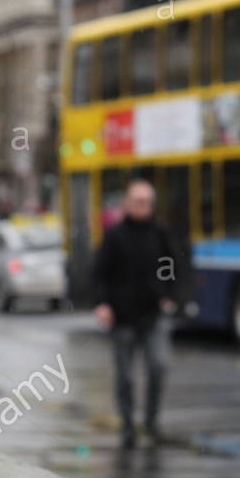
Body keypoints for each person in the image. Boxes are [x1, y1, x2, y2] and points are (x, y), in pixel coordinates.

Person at [92, 178, 178, 448]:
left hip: (152, 315)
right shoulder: (115, 235)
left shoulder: (160, 234)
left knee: (158, 366)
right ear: (128, 204)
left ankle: (151, 422)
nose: (144, 207)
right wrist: (103, 304)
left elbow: (174, 265)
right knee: (125, 375)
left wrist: (169, 296)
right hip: (123, 317)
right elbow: (100, 273)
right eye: (138, 202)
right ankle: (128, 424)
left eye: (148, 203)